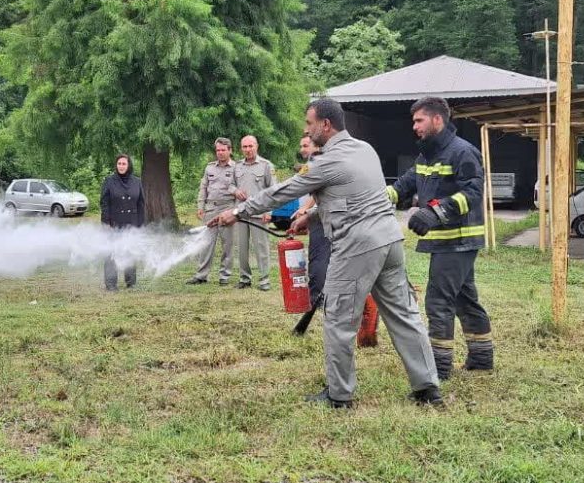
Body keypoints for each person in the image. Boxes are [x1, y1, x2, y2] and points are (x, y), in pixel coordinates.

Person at [211, 100, 442, 408]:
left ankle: (339, 395)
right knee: (404, 315)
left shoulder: (326, 161)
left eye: (310, 124)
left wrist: (238, 211)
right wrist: (314, 215)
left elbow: (281, 193)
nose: (307, 129)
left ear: (326, 125)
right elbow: (350, 194)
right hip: (389, 241)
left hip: (358, 246)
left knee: (338, 318)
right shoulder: (364, 149)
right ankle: (428, 388)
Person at [388, 96, 493, 380]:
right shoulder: (428, 156)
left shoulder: (462, 152)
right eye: (414, 121)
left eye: (419, 120)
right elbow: (407, 183)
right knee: (464, 298)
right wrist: (379, 197)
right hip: (448, 242)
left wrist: (436, 213)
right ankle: (482, 357)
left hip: (458, 240)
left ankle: (438, 367)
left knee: (438, 300)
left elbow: (473, 192)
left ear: (437, 120)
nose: (415, 127)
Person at [188, 138, 238, 285]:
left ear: (230, 150)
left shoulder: (236, 168)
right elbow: (203, 188)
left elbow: (240, 190)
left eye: (223, 150)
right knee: (206, 243)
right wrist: (200, 207)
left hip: (228, 209)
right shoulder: (209, 168)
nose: (220, 153)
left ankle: (225, 276)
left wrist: (235, 211)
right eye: (218, 150)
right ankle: (201, 276)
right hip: (211, 209)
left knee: (227, 245)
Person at [233, 135, 276, 290]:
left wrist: (269, 211)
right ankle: (244, 278)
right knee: (242, 247)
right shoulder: (237, 166)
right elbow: (230, 185)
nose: (248, 150)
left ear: (256, 146)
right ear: (241, 148)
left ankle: (264, 280)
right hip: (241, 213)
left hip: (260, 213)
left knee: (261, 247)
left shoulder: (266, 165)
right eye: (244, 147)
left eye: (250, 146)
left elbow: (273, 190)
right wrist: (236, 191)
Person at [100, 154, 145, 291]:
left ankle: (131, 282)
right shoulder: (109, 181)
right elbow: (104, 203)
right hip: (114, 222)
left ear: (128, 165)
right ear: (116, 165)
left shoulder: (137, 181)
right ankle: (111, 284)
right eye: (119, 163)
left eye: (124, 164)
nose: (121, 166)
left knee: (129, 251)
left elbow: (141, 204)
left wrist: (140, 224)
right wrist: (107, 222)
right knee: (112, 252)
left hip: (132, 222)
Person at [294, 136, 329, 308]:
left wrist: (305, 212)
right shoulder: (311, 165)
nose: (302, 149)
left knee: (319, 259)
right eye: (301, 146)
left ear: (317, 147)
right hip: (321, 217)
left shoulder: (317, 165)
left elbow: (317, 195)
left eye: (306, 146)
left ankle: (317, 298)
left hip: (323, 220)